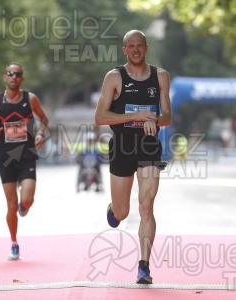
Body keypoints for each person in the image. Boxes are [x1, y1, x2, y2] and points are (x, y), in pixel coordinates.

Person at [95, 30, 172, 284]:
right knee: (123, 212)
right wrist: (137, 117)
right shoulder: (114, 77)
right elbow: (101, 118)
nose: (136, 49)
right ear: (124, 49)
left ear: (146, 48)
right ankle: (114, 211)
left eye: (140, 45)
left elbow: (168, 117)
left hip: (149, 146)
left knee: (147, 205)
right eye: (131, 46)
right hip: (122, 147)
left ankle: (144, 266)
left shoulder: (160, 77)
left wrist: (156, 120)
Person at [0, 62, 49, 260]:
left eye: (17, 74)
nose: (13, 77)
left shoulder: (31, 99)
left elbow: (44, 119)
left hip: (26, 155)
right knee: (11, 206)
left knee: (27, 199)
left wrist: (40, 135)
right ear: (4, 77)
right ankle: (14, 242)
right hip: (6, 159)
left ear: (22, 78)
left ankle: (24, 206)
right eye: (10, 74)